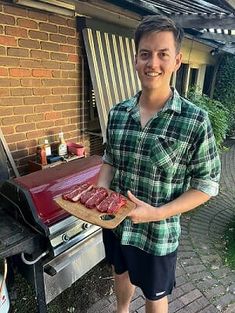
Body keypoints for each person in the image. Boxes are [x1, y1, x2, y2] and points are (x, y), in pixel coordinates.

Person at [97, 15, 221, 313]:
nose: (153, 63)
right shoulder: (117, 113)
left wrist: (158, 213)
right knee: (119, 271)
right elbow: (109, 161)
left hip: (158, 234)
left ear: (177, 60)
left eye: (162, 54)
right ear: (135, 59)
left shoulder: (195, 121)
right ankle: (122, 310)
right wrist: (99, 193)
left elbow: (207, 186)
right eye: (145, 54)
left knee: (155, 296)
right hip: (116, 226)